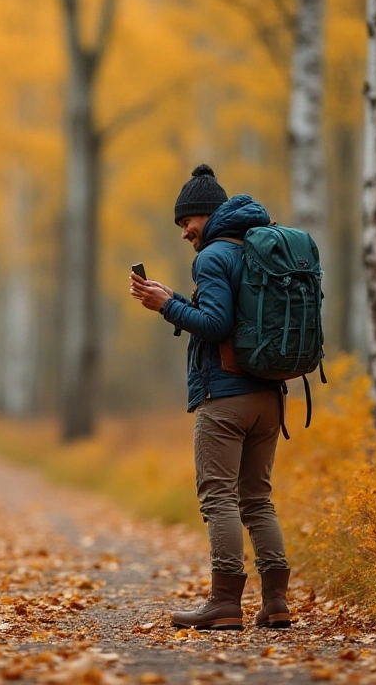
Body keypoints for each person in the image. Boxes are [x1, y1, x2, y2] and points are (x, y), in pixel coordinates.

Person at [128, 164, 292, 630]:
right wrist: (175, 297)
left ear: (207, 214)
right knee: (258, 499)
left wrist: (167, 307)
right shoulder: (255, 247)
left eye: (187, 222)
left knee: (218, 497)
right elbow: (231, 316)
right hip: (268, 396)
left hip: (225, 398)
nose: (184, 232)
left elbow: (217, 326)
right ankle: (276, 601)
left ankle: (224, 601)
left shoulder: (214, 255)